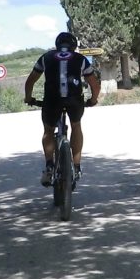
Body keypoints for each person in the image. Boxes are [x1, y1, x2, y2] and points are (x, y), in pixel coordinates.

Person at [24, 31, 101, 186]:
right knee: (76, 126)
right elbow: (94, 84)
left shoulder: (45, 57)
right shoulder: (81, 59)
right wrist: (93, 100)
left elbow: (30, 81)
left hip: (52, 100)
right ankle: (77, 166)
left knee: (48, 130)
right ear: (74, 46)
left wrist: (28, 98)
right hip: (75, 100)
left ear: (57, 45)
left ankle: (49, 167)